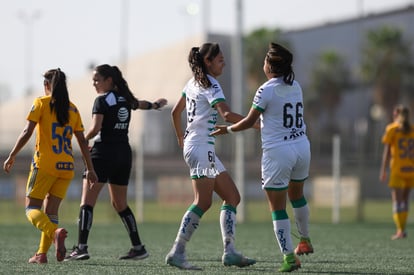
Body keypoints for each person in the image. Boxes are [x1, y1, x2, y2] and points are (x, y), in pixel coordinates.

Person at [212, 42, 313, 272]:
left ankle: (289, 258)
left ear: (270, 66)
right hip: (302, 147)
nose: (263, 64)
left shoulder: (265, 89)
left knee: (277, 207)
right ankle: (305, 241)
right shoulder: (296, 85)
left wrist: (226, 130)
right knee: (297, 196)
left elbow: (248, 121)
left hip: (278, 153)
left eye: (266, 61)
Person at [166, 42, 257, 270]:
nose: (223, 62)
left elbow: (175, 112)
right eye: (220, 59)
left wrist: (181, 137)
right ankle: (177, 252)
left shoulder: (192, 82)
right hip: (201, 148)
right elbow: (226, 114)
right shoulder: (211, 84)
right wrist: (258, 124)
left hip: (198, 147)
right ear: (207, 62)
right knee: (203, 201)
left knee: (232, 197)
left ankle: (230, 251)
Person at [64, 64, 167, 261]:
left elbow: (96, 128)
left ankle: (81, 248)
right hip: (124, 154)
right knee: (119, 203)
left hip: (103, 153)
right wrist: (155, 105)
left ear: (109, 80)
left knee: (87, 202)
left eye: (97, 80)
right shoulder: (124, 98)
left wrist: (83, 140)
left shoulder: (102, 100)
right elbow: (140, 104)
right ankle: (138, 247)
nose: (94, 83)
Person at [3, 68, 98, 264]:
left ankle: (54, 233)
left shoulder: (41, 103)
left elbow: (27, 131)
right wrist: (90, 169)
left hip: (45, 164)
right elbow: (82, 142)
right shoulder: (73, 109)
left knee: (31, 208)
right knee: (51, 211)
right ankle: (41, 254)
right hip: (66, 166)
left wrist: (12, 155)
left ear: (47, 85)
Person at [379, 104, 414, 240]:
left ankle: (400, 230)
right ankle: (402, 229)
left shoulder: (392, 129)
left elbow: (387, 152)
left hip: (398, 170)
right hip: (411, 170)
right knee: (405, 201)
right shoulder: (412, 130)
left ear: (397, 115)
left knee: (397, 202)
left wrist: (383, 169)